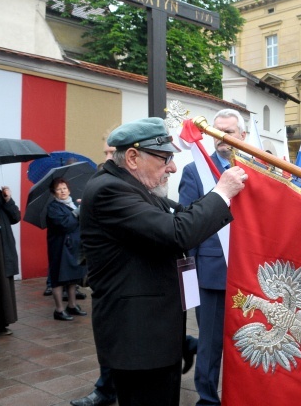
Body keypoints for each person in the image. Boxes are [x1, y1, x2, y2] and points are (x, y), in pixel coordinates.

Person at [80, 117, 247, 406]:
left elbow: (185, 213)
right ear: (132, 157)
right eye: (165, 158)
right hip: (138, 341)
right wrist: (222, 192)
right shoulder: (110, 191)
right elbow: (177, 232)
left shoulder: (136, 188)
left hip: (155, 336)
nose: (172, 167)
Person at [178, 109, 246, 406]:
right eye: (216, 132)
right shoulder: (195, 170)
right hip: (211, 271)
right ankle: (207, 398)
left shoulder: (256, 169)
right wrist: (189, 277)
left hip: (251, 271)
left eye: (228, 132)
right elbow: (186, 224)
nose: (222, 138)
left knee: (248, 340)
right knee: (210, 342)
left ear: (242, 136)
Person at [71, 137, 118, 406]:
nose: (108, 156)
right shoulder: (100, 180)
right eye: (105, 152)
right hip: (104, 273)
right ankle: (106, 388)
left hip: (120, 276)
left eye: (112, 151)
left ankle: (106, 390)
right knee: (109, 334)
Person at [46, 178, 87, 321]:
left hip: (75, 245)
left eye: (64, 188)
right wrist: (76, 213)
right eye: (58, 189)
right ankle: (59, 309)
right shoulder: (53, 208)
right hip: (60, 247)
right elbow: (65, 225)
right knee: (58, 277)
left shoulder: (74, 203)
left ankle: (72, 305)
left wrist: (84, 209)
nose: (62, 191)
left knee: (73, 277)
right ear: (53, 193)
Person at [0, 185, 21, 336]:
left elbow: (15, 217)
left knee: (3, 285)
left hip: (3, 246)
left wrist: (8, 200)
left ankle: (3, 323)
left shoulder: (0, 194)